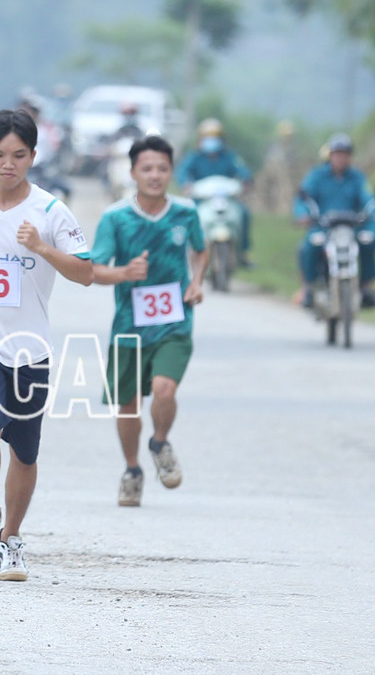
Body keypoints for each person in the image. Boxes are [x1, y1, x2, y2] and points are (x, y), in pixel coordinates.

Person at [0, 108, 94, 582]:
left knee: (25, 453)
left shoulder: (51, 211)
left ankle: (12, 537)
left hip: (30, 349)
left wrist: (43, 248)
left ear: (33, 156)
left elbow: (85, 272)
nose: (7, 164)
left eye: (18, 155)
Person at [90, 135, 208, 507]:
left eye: (162, 168)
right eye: (147, 169)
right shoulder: (115, 218)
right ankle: (132, 470)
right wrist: (125, 272)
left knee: (164, 390)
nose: (155, 176)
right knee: (127, 406)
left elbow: (201, 250)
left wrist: (196, 281)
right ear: (132, 173)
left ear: (171, 172)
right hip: (129, 326)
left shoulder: (186, 213)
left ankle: (159, 442)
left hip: (174, 321)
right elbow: (94, 269)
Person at [293, 132, 375, 308]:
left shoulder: (357, 177)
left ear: (350, 157)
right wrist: (304, 214)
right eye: (337, 154)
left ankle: (365, 287)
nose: (341, 158)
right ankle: (309, 288)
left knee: (366, 241)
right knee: (311, 245)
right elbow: (304, 199)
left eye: (345, 155)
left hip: (350, 227)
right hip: (324, 226)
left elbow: (367, 197)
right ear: (330, 156)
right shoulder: (316, 176)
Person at [176, 118, 253, 265]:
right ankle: (188, 253)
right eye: (208, 137)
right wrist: (186, 184)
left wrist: (245, 180)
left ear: (222, 139)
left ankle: (242, 252)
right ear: (201, 139)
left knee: (244, 213)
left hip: (226, 199)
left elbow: (242, 170)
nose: (212, 141)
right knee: (188, 217)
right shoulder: (194, 157)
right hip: (202, 199)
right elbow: (182, 172)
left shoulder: (229, 157)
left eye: (215, 137)